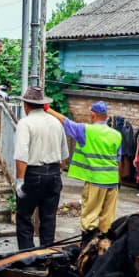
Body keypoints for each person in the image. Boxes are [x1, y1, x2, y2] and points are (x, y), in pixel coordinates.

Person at [46, 100, 121, 233]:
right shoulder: (116, 135)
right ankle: (105, 248)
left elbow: (65, 121)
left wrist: (48, 109)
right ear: (106, 116)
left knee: (90, 218)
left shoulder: (86, 130)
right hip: (112, 181)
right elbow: (118, 160)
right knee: (108, 219)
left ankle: (88, 245)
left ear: (93, 115)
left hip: (95, 180)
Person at [13, 87, 68, 249]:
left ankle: (27, 257)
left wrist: (20, 181)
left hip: (33, 174)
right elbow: (64, 156)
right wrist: (58, 175)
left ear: (26, 105)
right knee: (49, 217)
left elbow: (21, 156)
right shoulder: (56, 122)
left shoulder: (25, 123)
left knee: (24, 217)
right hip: (53, 173)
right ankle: (47, 255)